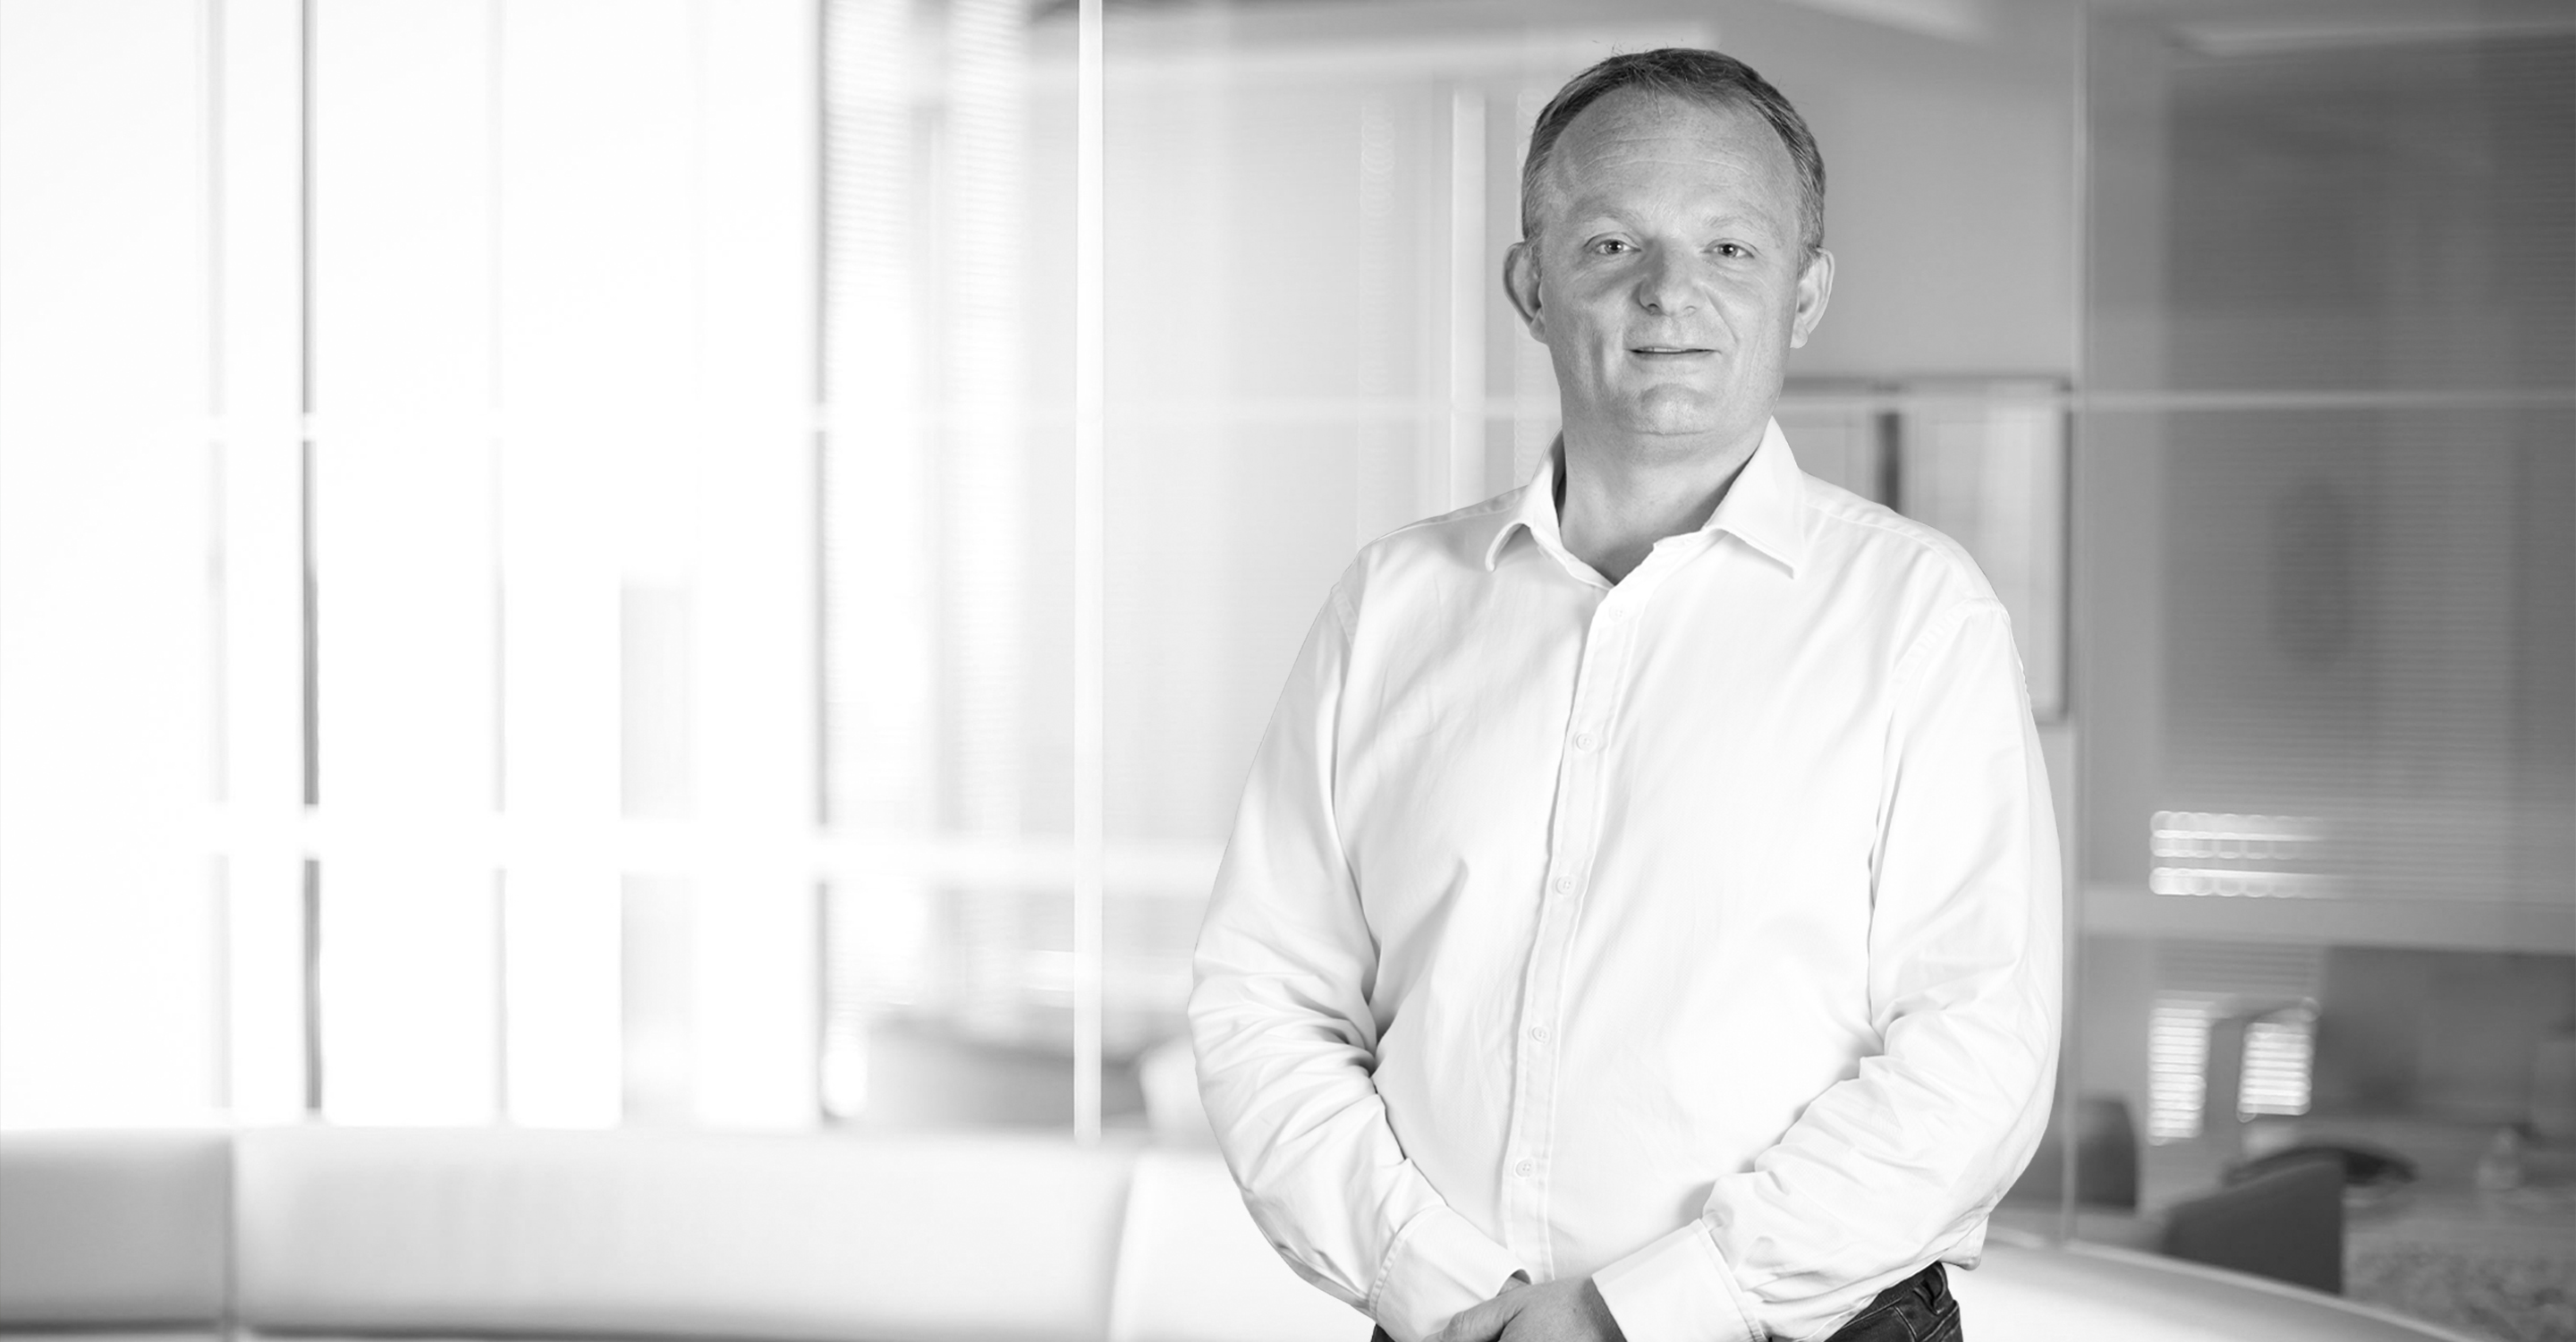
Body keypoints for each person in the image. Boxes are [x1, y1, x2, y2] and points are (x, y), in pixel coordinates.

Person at [1189, 47, 2060, 1342]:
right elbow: (1264, 998)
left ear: (1805, 293)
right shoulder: (1390, 607)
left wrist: (1627, 1317)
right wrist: (1446, 1287)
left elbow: (1974, 1057)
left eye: (1731, 249)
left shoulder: (1921, 618)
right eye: (1610, 245)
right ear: (1531, 285)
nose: (1669, 292)